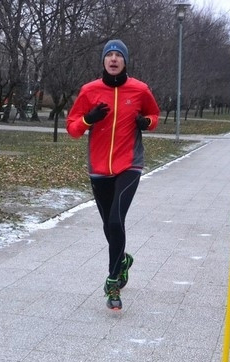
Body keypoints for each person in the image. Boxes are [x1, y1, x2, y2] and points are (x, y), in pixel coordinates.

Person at [66, 39, 160, 310]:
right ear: (104, 61)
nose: (114, 59)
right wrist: (88, 119)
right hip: (98, 168)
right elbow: (72, 128)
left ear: (125, 61)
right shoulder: (89, 90)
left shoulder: (140, 89)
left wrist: (147, 123)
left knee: (117, 222)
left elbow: (154, 114)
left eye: (119, 55)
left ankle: (113, 282)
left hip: (129, 164)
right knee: (109, 226)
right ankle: (123, 260)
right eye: (110, 55)